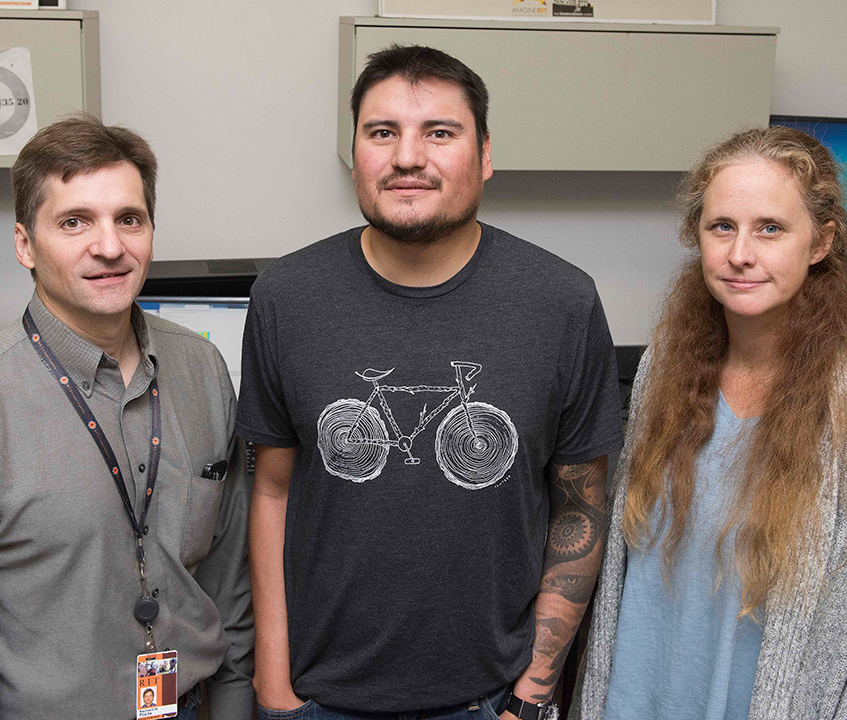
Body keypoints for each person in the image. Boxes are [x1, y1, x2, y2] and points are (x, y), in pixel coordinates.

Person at [238, 44, 623, 720]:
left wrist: (531, 695)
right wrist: (274, 685)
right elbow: (271, 490)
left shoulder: (562, 302)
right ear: (355, 151)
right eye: (381, 132)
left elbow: (581, 508)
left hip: (489, 700)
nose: (407, 156)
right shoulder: (285, 297)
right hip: (317, 698)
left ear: (485, 155)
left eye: (439, 133)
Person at [0, 115, 254, 720]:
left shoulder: (203, 369)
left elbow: (229, 578)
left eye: (128, 219)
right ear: (25, 244)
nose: (109, 247)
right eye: (74, 222)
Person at [575, 126, 847, 719]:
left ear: (821, 241)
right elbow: (631, 574)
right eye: (721, 226)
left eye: (770, 229)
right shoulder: (663, 370)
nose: (740, 253)